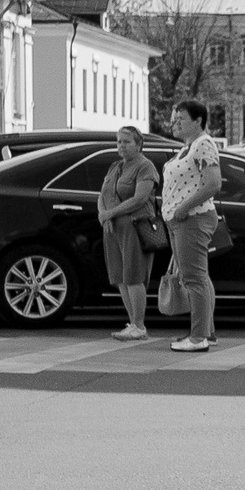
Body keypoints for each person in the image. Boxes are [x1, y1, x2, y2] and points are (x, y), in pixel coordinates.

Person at [159, 100, 222, 355]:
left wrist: (183, 208)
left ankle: (198, 338)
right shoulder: (188, 147)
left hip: (192, 219)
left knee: (194, 279)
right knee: (198, 278)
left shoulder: (204, 144)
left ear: (198, 120)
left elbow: (213, 183)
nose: (175, 123)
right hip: (181, 221)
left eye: (181, 119)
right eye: (174, 119)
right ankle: (207, 332)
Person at [97, 124, 161, 340]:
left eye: (126, 142)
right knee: (120, 277)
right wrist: (102, 213)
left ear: (138, 144)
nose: (121, 146)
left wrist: (111, 212)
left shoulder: (145, 167)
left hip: (135, 226)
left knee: (134, 275)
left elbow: (140, 198)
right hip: (113, 228)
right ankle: (132, 322)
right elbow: (103, 193)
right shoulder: (115, 166)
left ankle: (140, 325)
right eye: (118, 142)